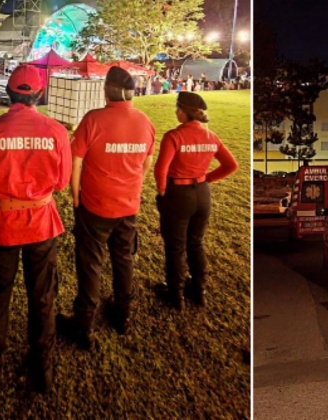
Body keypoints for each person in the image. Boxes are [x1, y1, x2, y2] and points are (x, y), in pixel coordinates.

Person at [0, 65, 72, 405]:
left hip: (1, 223)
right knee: (42, 298)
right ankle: (42, 369)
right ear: (38, 94)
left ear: (8, 93)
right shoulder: (55, 131)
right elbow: (61, 182)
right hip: (41, 223)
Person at [57, 67, 155, 349]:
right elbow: (147, 161)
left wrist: (75, 196)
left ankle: (83, 323)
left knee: (90, 263)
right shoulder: (145, 122)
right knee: (124, 258)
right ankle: (122, 314)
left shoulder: (93, 120)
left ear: (107, 91)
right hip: (128, 205)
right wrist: (134, 184)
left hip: (95, 206)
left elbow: (75, 161)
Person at [154, 92, 239, 310]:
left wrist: (162, 190)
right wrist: (207, 178)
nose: (175, 112)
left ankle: (176, 294)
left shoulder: (174, 136)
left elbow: (161, 169)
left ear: (182, 112)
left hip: (179, 193)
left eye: (177, 108)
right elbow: (231, 165)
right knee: (196, 242)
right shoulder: (211, 137)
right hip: (202, 194)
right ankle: (199, 290)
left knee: (175, 246)